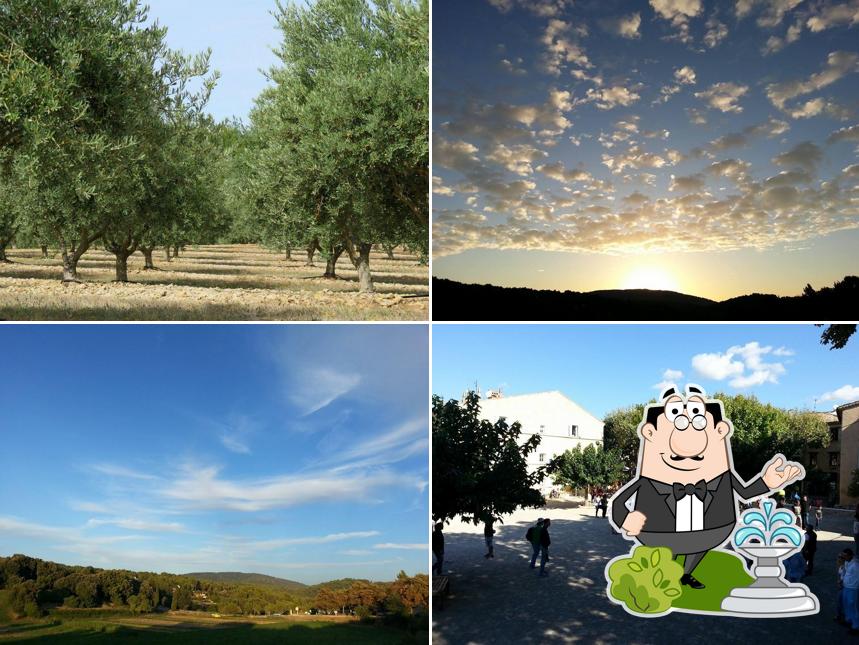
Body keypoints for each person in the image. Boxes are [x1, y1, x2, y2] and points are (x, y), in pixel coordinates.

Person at [609, 385, 804, 590]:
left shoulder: (723, 477)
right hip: (660, 531)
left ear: (721, 431)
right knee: (667, 554)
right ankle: (665, 574)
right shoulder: (647, 481)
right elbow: (619, 501)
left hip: (711, 530)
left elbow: (745, 493)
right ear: (650, 433)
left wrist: (766, 482)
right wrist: (624, 518)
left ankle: (685, 574)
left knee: (698, 548)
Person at [841, 548, 859, 634]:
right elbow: (845, 572)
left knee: (852, 606)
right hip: (846, 587)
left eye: (845, 556)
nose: (843, 558)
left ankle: (856, 626)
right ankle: (848, 620)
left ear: (850, 555)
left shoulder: (855, 565)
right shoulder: (847, 562)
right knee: (846, 604)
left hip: (853, 588)